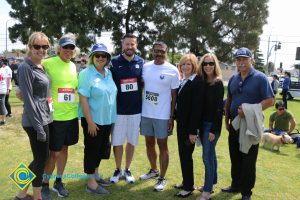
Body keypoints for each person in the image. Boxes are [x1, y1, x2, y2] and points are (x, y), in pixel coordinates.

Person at [223, 47, 274, 200]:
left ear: (251, 60)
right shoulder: (233, 78)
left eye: (245, 59)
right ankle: (235, 185)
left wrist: (248, 110)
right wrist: (226, 119)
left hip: (251, 124)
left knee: (248, 160)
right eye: (238, 59)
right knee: (235, 157)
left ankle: (246, 192)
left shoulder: (260, 78)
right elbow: (229, 99)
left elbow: (270, 101)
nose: (241, 62)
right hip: (234, 124)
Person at [14, 32, 53, 200]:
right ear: (29, 47)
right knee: (41, 159)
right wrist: (39, 128)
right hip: (34, 120)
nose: (41, 50)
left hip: (45, 117)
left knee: (40, 157)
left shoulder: (41, 66)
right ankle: (37, 196)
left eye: (45, 46)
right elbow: (29, 101)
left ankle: (21, 193)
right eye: (37, 46)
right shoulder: (25, 67)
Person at [41, 33, 79, 199]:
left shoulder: (73, 66)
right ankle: (44, 184)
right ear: (59, 48)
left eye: (71, 47)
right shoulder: (47, 62)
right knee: (54, 153)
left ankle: (59, 181)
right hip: (54, 117)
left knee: (64, 150)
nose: (68, 50)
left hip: (71, 116)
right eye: (65, 47)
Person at [139, 41, 180, 191]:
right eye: (156, 51)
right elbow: (142, 86)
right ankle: (153, 170)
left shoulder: (173, 70)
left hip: (163, 115)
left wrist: (171, 116)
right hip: (146, 113)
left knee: (162, 145)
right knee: (149, 143)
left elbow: (174, 95)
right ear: (152, 51)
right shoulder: (146, 67)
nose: (159, 53)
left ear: (166, 52)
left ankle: (162, 178)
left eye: (162, 51)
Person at [78, 43, 117, 195]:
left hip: (107, 120)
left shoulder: (108, 73)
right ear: (92, 57)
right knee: (92, 150)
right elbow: (83, 99)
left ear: (108, 59)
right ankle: (91, 184)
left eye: (104, 56)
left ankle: (96, 175)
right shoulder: (86, 74)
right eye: (97, 55)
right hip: (93, 121)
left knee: (101, 150)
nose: (101, 58)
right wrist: (90, 122)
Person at [109, 33, 144, 183]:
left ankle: (127, 169)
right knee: (117, 141)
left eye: (133, 44)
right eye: (127, 44)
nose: (130, 47)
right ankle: (118, 169)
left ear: (136, 46)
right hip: (118, 110)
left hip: (136, 110)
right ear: (122, 45)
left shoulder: (142, 62)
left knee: (132, 141)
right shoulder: (114, 62)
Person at [173, 53, 204, 198]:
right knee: (183, 154)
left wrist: (193, 132)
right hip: (181, 124)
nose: (185, 66)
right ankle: (186, 181)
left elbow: (196, 109)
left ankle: (188, 187)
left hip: (189, 127)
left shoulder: (197, 82)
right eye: (183, 64)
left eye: (189, 64)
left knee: (186, 155)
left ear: (194, 66)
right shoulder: (184, 80)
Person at [197, 53, 224, 200]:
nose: (208, 66)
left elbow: (219, 109)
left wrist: (214, 129)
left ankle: (207, 191)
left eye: (211, 63)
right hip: (202, 124)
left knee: (206, 157)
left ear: (215, 65)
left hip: (211, 126)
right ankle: (211, 182)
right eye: (205, 63)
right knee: (211, 155)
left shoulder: (218, 83)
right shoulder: (202, 82)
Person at [0, 60, 9, 126]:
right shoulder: (3, 70)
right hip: (3, 88)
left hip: (1, 89)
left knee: (2, 105)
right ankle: (3, 120)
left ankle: (3, 121)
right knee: (2, 104)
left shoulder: (1, 70)